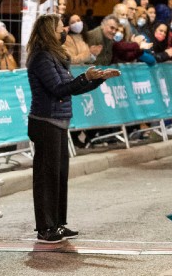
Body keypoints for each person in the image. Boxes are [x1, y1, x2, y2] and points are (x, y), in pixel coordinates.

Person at [25, 14, 119, 243]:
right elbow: (58, 89)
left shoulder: (55, 57)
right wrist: (84, 77)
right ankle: (45, 228)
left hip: (59, 122)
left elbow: (71, 89)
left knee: (59, 176)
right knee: (47, 177)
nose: (64, 31)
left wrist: (97, 80)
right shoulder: (41, 58)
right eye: (59, 28)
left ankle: (57, 223)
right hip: (45, 122)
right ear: (49, 32)